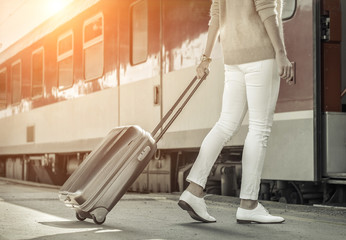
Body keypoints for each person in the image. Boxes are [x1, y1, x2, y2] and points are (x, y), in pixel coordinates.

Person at [178, 0, 294, 224]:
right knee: (259, 129)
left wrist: (206, 57)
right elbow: (266, 9)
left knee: (225, 125)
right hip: (261, 55)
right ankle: (248, 204)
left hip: (233, 59)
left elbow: (216, 15)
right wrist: (281, 53)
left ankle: (193, 191)